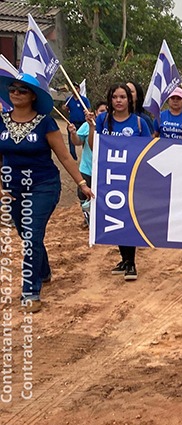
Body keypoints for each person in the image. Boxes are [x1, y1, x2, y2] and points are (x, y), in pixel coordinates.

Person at [0, 73, 94, 313]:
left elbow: (64, 156)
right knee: (27, 235)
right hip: (13, 188)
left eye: (22, 90)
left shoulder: (45, 123)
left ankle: (31, 291)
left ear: (33, 96)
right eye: (13, 89)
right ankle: (43, 271)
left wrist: (82, 183)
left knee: (31, 236)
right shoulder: (1, 120)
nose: (16, 93)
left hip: (44, 185)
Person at [87, 83, 153, 281]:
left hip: (131, 178)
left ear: (129, 100)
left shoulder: (140, 123)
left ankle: (131, 262)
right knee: (114, 216)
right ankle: (124, 259)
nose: (118, 100)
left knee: (128, 218)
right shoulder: (102, 119)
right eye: (115, 97)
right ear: (110, 99)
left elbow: (148, 149)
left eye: (122, 97)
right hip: (108, 177)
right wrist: (91, 127)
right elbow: (94, 145)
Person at [67, 100, 108, 226]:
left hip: (104, 171)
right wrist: (73, 133)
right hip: (87, 169)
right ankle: (88, 218)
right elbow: (77, 142)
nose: (104, 113)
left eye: (107, 111)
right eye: (101, 111)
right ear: (95, 112)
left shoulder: (112, 127)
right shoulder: (87, 125)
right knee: (84, 195)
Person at [63, 86, 90, 160]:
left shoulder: (84, 100)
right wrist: (65, 108)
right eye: (73, 88)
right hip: (72, 123)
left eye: (76, 88)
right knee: (71, 141)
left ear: (79, 89)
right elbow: (66, 109)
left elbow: (88, 110)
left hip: (82, 123)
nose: (75, 90)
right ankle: (73, 157)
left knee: (84, 142)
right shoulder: (69, 100)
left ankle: (86, 157)